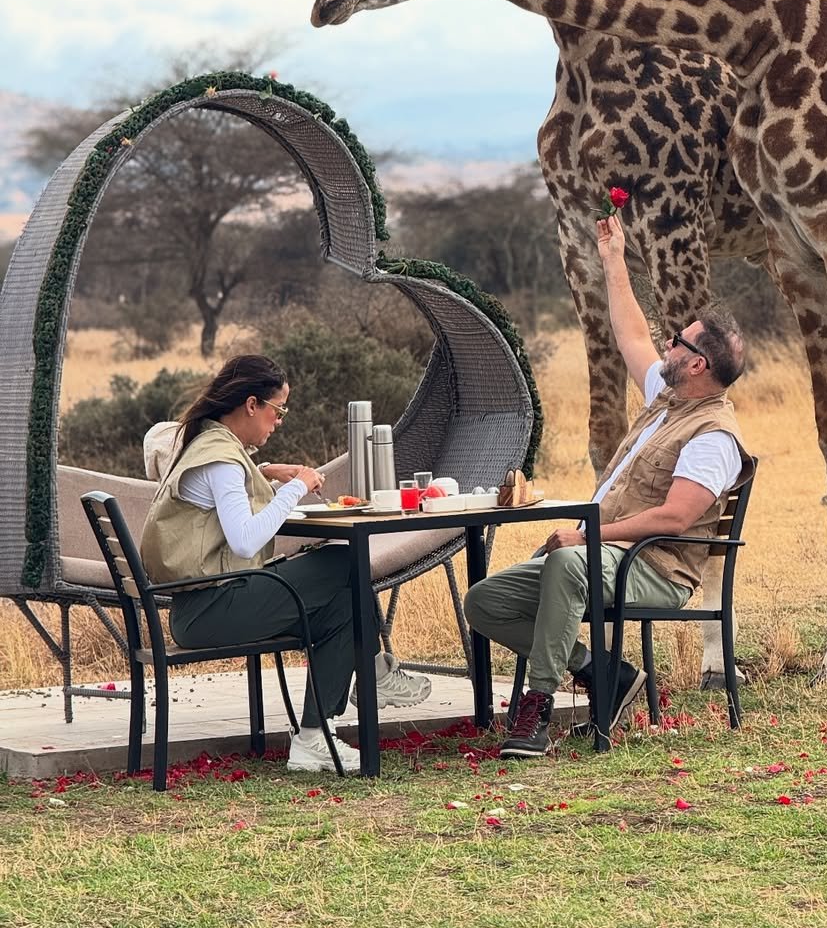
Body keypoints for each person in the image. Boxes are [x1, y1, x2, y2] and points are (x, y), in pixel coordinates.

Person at [464, 213, 752, 759]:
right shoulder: (666, 400)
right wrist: (614, 257)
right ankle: (604, 673)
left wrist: (586, 538)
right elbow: (631, 334)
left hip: (654, 569)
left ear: (697, 364)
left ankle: (537, 707)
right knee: (485, 602)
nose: (666, 343)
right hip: (603, 557)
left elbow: (674, 518)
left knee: (568, 564)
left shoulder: (713, 435)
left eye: (678, 342)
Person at [139, 354, 430, 774]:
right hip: (211, 609)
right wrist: (295, 488)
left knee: (344, 607)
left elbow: (224, 497)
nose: (278, 421)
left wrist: (264, 471)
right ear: (251, 404)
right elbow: (245, 538)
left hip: (204, 606)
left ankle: (314, 736)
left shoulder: (209, 443)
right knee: (344, 559)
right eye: (278, 410)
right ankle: (375, 672)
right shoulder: (220, 457)